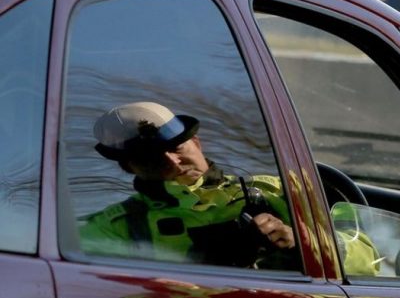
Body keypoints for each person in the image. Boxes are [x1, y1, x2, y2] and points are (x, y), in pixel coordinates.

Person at [80, 101, 380, 275]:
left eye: (177, 147)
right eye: (152, 159)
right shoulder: (114, 228)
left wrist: (299, 243)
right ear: (129, 167)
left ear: (196, 142)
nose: (172, 162)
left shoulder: (276, 190)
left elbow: (367, 264)